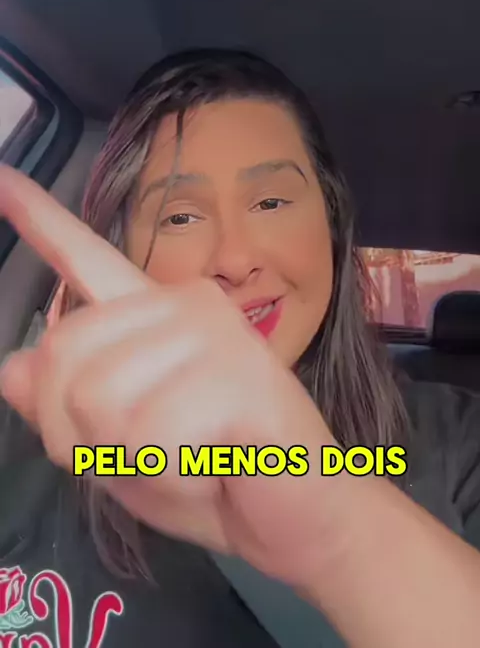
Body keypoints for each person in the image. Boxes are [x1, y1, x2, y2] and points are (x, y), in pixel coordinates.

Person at [0, 48, 480, 648]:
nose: (234, 258)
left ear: (331, 226)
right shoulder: (27, 439)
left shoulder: (459, 443)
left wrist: (341, 534)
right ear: (118, 248)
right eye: (179, 216)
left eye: (271, 202)